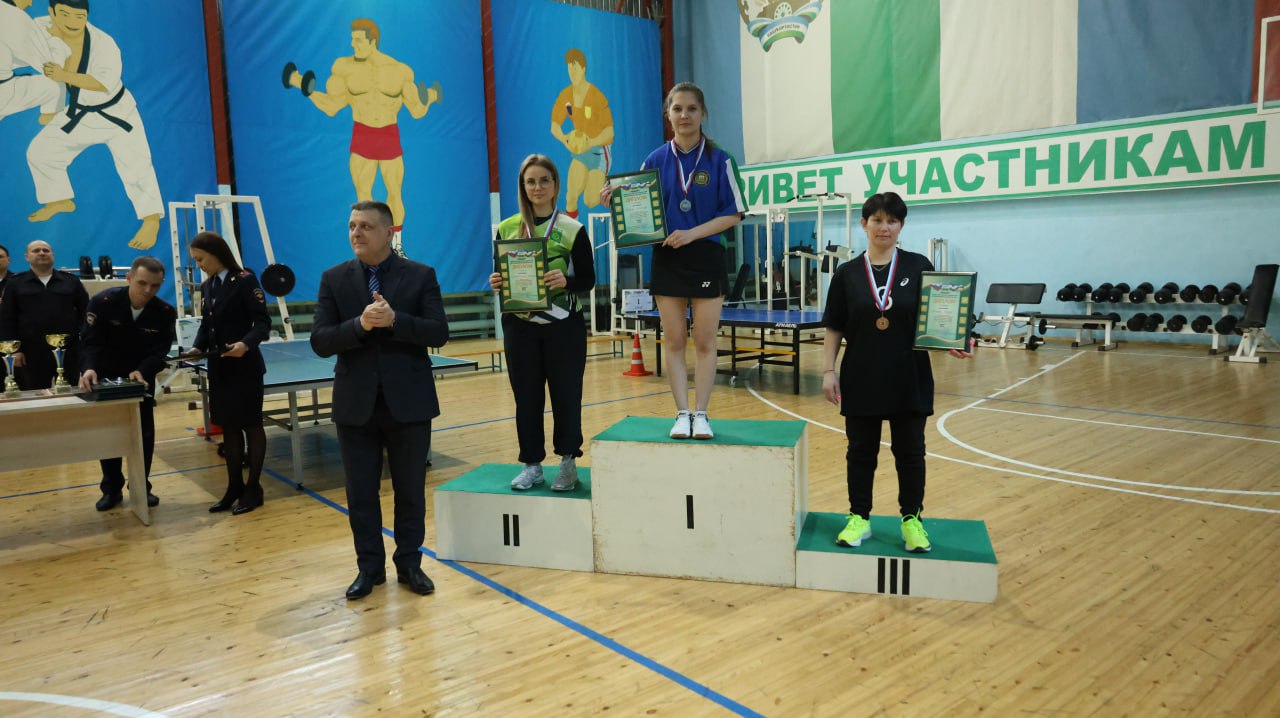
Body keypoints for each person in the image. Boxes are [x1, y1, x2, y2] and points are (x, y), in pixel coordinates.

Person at [310, 200, 449, 600]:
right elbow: (321, 340)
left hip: (409, 403)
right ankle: (369, 569)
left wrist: (395, 321)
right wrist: (359, 325)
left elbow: (438, 332)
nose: (356, 233)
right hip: (356, 405)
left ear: (389, 233)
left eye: (366, 227)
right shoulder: (334, 279)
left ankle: (410, 564)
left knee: (410, 492)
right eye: (352, 226)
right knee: (360, 495)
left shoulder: (420, 275)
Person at [820, 192, 972, 554]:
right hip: (861, 375)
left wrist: (951, 339)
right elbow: (834, 326)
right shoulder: (847, 274)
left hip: (909, 375)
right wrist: (827, 370)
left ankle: (911, 520)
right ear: (864, 224)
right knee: (860, 452)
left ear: (901, 225)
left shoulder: (919, 266)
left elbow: (938, 315)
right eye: (877, 220)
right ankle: (859, 518)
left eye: (891, 220)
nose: (884, 227)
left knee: (910, 453)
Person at [603, 82, 747, 440]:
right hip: (667, 256)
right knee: (675, 341)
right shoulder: (653, 161)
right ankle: (682, 414)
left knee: (705, 342)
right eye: (677, 109)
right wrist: (617, 204)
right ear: (668, 115)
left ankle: (703, 414)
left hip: (706, 256)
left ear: (703, 113)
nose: (684, 115)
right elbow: (641, 215)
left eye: (691, 109)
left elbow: (734, 213)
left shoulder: (721, 160)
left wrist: (692, 234)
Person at [285, 18, 439, 255]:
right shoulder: (344, 68)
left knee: (394, 192)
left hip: (388, 135)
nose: (353, 44)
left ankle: (397, 248)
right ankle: (368, 249)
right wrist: (303, 86)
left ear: (372, 41)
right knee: (364, 198)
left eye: (357, 40)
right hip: (363, 134)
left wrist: (429, 98)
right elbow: (332, 106)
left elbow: (417, 111)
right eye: (352, 39)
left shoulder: (399, 71)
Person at [489, 154, 595, 491]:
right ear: (523, 186)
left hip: (564, 326)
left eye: (544, 180)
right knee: (526, 398)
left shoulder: (572, 229)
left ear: (555, 185)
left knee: (566, 395)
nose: (537, 187)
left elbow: (589, 279)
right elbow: (502, 274)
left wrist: (566, 281)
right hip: (520, 326)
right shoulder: (506, 228)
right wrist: (497, 281)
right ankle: (531, 464)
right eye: (531, 181)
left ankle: (568, 462)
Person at [27, 0, 165, 250]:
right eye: (65, 14)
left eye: (79, 17)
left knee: (137, 167)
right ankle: (59, 200)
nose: (72, 22)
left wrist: (63, 76)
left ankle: (151, 220)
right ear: (52, 13)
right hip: (81, 113)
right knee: (40, 152)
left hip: (116, 114)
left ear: (87, 16)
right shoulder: (40, 27)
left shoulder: (104, 44)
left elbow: (103, 84)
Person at [184, 232, 271, 516]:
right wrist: (197, 347)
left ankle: (253, 488)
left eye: (200, 259)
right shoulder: (208, 286)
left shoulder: (244, 280)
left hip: (245, 367)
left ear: (216, 253)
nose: (198, 265)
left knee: (251, 425)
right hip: (220, 369)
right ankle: (234, 487)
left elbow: (262, 323)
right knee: (229, 429)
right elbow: (206, 325)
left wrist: (245, 344)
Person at [78, 255, 174, 511]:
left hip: (140, 380)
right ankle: (111, 489)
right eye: (142, 283)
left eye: (155, 285)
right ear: (129, 278)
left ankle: (141, 486)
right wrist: (89, 368)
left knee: (144, 434)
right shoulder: (103, 303)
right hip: (106, 377)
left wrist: (143, 370)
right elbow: (90, 342)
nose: (148, 290)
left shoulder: (165, 312)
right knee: (109, 434)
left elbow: (160, 350)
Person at [0, 239, 88, 391]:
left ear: (53, 255)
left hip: (68, 351)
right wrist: (14, 351)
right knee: (34, 394)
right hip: (30, 352)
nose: (42, 253)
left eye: (46, 250)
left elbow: (85, 312)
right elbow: (7, 318)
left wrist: (82, 342)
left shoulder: (71, 281)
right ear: (27, 257)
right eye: (36, 251)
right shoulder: (15, 283)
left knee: (72, 393)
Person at [550, 48, 612, 220]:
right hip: (580, 152)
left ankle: (600, 182)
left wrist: (590, 142)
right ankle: (574, 233)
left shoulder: (597, 97)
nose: (572, 72)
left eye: (575, 68)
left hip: (599, 151)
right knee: (571, 196)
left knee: (590, 201)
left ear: (584, 69)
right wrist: (565, 139)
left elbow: (609, 133)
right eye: (569, 68)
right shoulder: (566, 95)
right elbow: (554, 126)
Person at [0, 0, 69, 123]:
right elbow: (51, 67)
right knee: (56, 86)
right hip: (3, 95)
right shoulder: (16, 17)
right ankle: (51, 127)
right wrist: (58, 39)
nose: (30, 4)